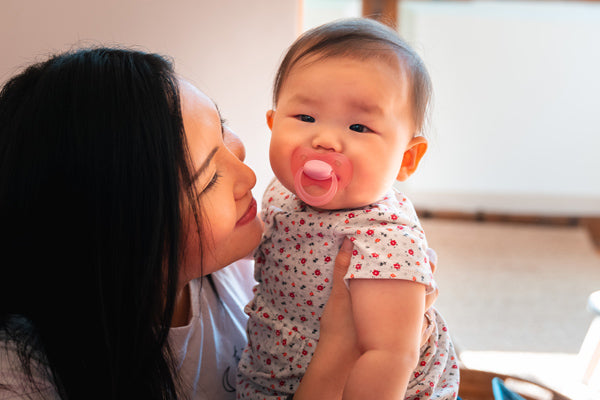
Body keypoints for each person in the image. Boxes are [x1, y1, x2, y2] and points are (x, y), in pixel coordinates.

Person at [0, 48, 436, 400]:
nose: (248, 177)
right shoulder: (26, 378)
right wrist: (339, 346)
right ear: (121, 234)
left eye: (223, 129)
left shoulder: (233, 266)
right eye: (209, 177)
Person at [237, 18, 459, 400]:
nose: (324, 140)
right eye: (305, 118)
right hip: (275, 370)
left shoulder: (384, 238)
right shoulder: (280, 191)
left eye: (359, 127)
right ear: (273, 125)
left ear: (407, 157)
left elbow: (389, 355)